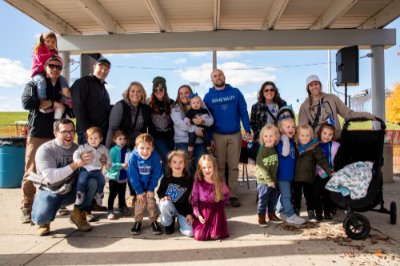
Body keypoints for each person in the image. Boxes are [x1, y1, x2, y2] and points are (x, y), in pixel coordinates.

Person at [20, 55, 71, 224]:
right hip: (38, 134)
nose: (55, 69)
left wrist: (69, 102)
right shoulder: (35, 84)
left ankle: (57, 202)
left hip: (58, 136)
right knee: (32, 171)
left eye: (58, 67)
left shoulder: (62, 87)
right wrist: (52, 103)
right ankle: (27, 207)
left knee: (59, 171)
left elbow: (71, 110)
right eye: (52, 66)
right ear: (45, 66)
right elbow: (27, 102)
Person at [30, 119, 99, 236]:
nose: (69, 135)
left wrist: (98, 160)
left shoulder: (78, 149)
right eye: (64, 132)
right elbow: (51, 177)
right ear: (55, 133)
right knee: (41, 217)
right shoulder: (45, 149)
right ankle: (44, 222)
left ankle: (78, 213)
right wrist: (76, 164)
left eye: (72, 131)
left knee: (92, 181)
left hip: (70, 190)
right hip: (50, 191)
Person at [203, 69, 252, 207]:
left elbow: (243, 111)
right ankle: (222, 194)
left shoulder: (235, 92)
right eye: (215, 76)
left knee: (233, 167)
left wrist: (247, 129)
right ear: (212, 80)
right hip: (217, 135)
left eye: (220, 75)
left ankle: (234, 195)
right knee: (219, 167)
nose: (218, 77)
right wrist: (209, 138)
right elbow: (206, 118)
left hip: (235, 134)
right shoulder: (208, 97)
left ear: (224, 76)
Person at [105, 81, 152, 206]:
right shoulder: (120, 106)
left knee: (137, 170)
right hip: (122, 144)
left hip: (137, 145)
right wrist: (107, 151)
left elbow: (147, 129)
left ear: (142, 94)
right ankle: (127, 198)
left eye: (138, 91)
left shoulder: (146, 109)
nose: (135, 93)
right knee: (124, 170)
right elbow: (112, 128)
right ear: (128, 93)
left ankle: (136, 196)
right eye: (133, 91)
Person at [299, 74, 375, 139]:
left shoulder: (331, 98)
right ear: (308, 88)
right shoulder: (304, 106)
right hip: (318, 145)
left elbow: (348, 114)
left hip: (336, 139)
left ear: (320, 85)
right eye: (311, 85)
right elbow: (303, 129)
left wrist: (367, 115)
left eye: (316, 84)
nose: (314, 87)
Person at [293, 124, 334, 222]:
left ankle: (311, 211)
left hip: (308, 176)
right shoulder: (295, 146)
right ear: (297, 136)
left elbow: (322, 160)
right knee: (296, 195)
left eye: (307, 135)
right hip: (296, 176)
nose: (305, 138)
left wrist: (330, 171)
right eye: (302, 135)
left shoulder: (314, 147)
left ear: (311, 136)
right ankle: (296, 211)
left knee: (309, 195)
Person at [128, 133, 163, 235]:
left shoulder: (155, 157)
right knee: (140, 203)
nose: (145, 151)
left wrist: (151, 189)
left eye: (148, 148)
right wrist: (139, 191)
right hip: (139, 186)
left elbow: (156, 174)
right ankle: (137, 222)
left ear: (152, 148)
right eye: (142, 148)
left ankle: (153, 221)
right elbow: (133, 176)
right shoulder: (133, 158)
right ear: (136, 148)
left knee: (151, 202)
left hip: (150, 185)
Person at [171, 85, 213, 170]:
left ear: (191, 93)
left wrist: (202, 121)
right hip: (183, 141)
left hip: (200, 141)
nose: (183, 95)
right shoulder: (176, 107)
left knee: (200, 168)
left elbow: (211, 120)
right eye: (181, 93)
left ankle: (197, 184)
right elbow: (180, 123)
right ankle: (189, 183)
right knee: (188, 168)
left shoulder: (200, 104)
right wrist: (195, 129)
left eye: (186, 93)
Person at [72, 57, 112, 145]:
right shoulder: (83, 82)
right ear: (94, 67)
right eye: (100, 67)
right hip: (88, 134)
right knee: (87, 158)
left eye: (106, 69)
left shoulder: (103, 88)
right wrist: (87, 130)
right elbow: (78, 107)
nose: (103, 71)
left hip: (101, 134)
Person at [31, 32, 72, 115]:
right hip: (38, 73)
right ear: (43, 42)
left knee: (62, 79)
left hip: (48, 75)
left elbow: (59, 61)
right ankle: (43, 102)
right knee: (42, 82)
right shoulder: (40, 50)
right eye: (48, 41)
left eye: (53, 42)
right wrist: (51, 54)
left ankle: (66, 98)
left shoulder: (54, 52)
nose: (50, 44)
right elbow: (41, 58)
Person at [191, 154, 230, 241]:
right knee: (199, 236)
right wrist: (198, 214)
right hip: (203, 212)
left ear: (214, 167)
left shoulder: (218, 182)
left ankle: (220, 223)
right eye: (204, 167)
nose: (207, 170)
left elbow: (227, 194)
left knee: (214, 236)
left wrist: (221, 206)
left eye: (209, 167)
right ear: (200, 169)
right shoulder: (198, 182)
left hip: (216, 211)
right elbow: (194, 200)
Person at [275, 117, 306, 225]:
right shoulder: (281, 142)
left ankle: (281, 211)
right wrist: (284, 139)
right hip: (282, 175)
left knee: (286, 195)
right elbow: (284, 153)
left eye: (293, 126)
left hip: (289, 174)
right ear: (281, 129)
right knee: (286, 195)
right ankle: (290, 215)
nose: (291, 128)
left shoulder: (291, 141)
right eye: (288, 127)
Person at [157, 150, 194, 236]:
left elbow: (191, 198)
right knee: (164, 204)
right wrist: (163, 197)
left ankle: (181, 222)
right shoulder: (166, 178)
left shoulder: (189, 180)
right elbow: (160, 191)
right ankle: (169, 223)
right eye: (175, 162)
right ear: (170, 164)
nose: (177, 165)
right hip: (170, 206)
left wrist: (189, 213)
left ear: (184, 164)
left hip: (182, 210)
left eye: (180, 162)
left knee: (190, 233)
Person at [73, 127, 111, 206]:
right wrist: (77, 160)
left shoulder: (103, 148)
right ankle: (80, 195)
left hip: (97, 171)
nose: (93, 140)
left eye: (96, 138)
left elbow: (108, 156)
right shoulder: (84, 147)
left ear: (101, 139)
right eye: (91, 138)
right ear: (87, 139)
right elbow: (76, 153)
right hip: (85, 169)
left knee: (102, 181)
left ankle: (98, 195)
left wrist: (108, 163)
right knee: (81, 181)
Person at [255, 124, 282, 227]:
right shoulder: (262, 151)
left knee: (273, 199)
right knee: (263, 199)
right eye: (266, 136)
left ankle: (271, 214)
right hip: (264, 181)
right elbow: (262, 168)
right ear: (262, 138)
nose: (268, 138)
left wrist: (273, 180)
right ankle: (261, 217)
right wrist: (269, 181)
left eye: (271, 136)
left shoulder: (274, 149)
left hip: (273, 180)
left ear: (276, 137)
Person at [314, 122, 340, 220]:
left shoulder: (335, 145)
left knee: (328, 195)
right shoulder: (316, 144)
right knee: (316, 193)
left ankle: (327, 212)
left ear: (333, 136)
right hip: (318, 174)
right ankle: (318, 213)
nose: (327, 136)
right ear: (320, 133)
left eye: (330, 134)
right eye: (325, 133)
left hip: (330, 174)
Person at [250, 81, 287, 147]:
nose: (269, 92)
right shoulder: (256, 106)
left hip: (277, 140)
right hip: (262, 141)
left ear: (275, 91)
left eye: (271, 90)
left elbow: (286, 121)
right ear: (262, 93)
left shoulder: (282, 104)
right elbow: (253, 124)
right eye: (266, 90)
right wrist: (261, 137)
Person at [148, 76, 175, 166]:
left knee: (167, 162)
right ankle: (167, 179)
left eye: (161, 89)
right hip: (157, 139)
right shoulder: (149, 103)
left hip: (171, 138)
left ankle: (166, 179)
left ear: (165, 90)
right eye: (156, 90)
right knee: (168, 160)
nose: (158, 92)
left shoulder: (171, 103)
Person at [105, 130, 131, 219]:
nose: (122, 141)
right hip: (114, 177)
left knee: (122, 193)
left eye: (124, 139)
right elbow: (110, 164)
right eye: (120, 139)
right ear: (114, 140)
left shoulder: (128, 150)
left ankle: (121, 207)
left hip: (123, 176)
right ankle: (110, 210)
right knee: (112, 194)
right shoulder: (113, 150)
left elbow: (130, 161)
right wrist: (121, 165)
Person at [184, 93, 213, 159]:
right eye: (194, 103)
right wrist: (187, 121)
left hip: (203, 128)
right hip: (193, 129)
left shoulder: (204, 110)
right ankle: (190, 151)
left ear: (201, 103)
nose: (196, 104)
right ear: (191, 105)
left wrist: (202, 119)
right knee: (191, 138)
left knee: (206, 138)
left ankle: (209, 149)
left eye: (198, 103)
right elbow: (186, 118)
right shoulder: (190, 111)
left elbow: (208, 118)